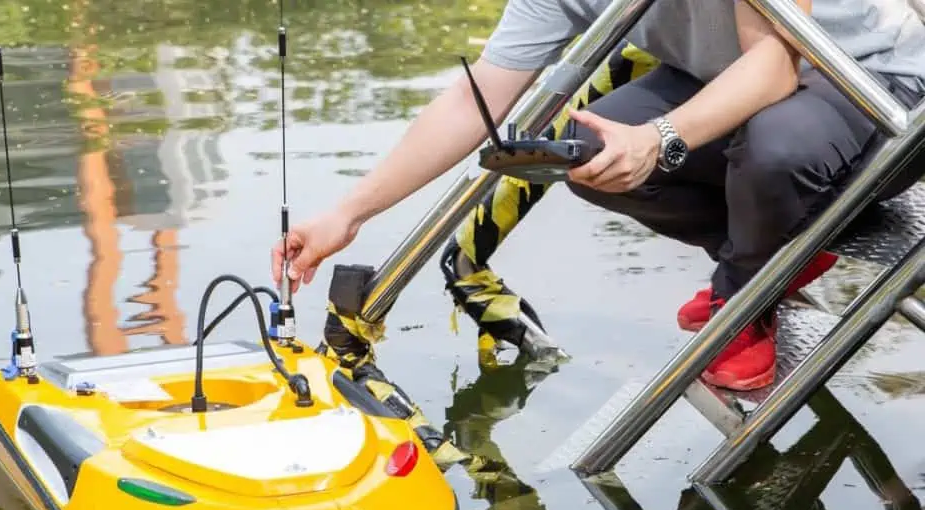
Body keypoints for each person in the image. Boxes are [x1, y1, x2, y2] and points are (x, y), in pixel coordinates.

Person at [271, 0, 925, 392]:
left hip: (876, 85)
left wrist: (661, 138)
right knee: (592, 153)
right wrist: (347, 213)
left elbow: (777, 65)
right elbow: (477, 101)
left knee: (774, 146)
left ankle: (742, 298)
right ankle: (773, 247)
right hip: (745, 88)